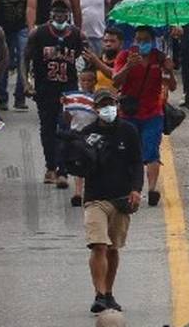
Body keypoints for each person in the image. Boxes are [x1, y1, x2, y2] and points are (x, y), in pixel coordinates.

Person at [78, 91, 143, 314]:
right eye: (103, 105)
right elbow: (78, 167)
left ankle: (109, 293)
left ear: (117, 105)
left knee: (113, 249)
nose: (108, 109)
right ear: (95, 109)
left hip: (121, 199)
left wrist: (136, 190)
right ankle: (99, 294)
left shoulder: (129, 131)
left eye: (111, 104)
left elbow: (137, 163)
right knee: (98, 245)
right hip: (96, 198)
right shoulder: (88, 134)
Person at [23, 0, 85, 189]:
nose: (60, 15)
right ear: (51, 13)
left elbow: (87, 59)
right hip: (45, 88)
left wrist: (85, 86)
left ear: (69, 14)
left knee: (64, 129)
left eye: (64, 12)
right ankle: (50, 166)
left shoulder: (76, 35)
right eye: (56, 11)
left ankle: (62, 171)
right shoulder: (39, 33)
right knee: (47, 129)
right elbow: (25, 58)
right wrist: (26, 83)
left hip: (68, 89)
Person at [112, 26, 173, 207]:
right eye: (138, 39)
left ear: (152, 41)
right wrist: (129, 66)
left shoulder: (160, 58)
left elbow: (173, 85)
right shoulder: (125, 56)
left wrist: (168, 69)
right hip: (129, 113)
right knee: (126, 151)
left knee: (152, 151)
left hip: (153, 113)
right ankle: (129, 187)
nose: (141, 43)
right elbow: (116, 81)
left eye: (146, 40)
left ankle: (152, 188)